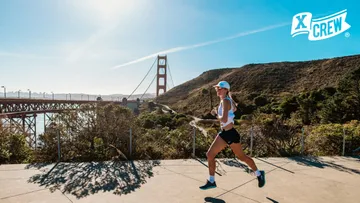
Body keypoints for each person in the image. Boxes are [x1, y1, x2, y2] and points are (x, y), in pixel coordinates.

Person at [199, 81, 265, 190]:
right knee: (210, 154)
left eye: (220, 88)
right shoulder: (225, 101)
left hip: (231, 134)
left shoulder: (225, 101)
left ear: (226, 90)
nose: (218, 90)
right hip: (224, 133)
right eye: (217, 88)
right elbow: (230, 113)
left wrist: (216, 114)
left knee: (241, 157)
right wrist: (219, 114)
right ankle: (211, 181)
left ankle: (259, 174)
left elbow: (224, 119)